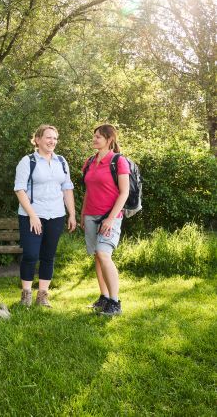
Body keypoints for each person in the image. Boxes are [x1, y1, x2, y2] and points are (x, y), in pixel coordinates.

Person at [14, 125, 77, 307]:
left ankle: (42, 296)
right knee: (31, 254)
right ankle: (26, 295)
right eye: (49, 137)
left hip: (56, 215)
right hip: (32, 216)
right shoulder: (27, 161)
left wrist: (71, 214)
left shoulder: (61, 162)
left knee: (48, 256)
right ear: (38, 139)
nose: (52, 142)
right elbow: (19, 189)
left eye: (55, 138)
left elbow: (67, 188)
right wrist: (33, 215)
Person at [80, 124, 130, 316]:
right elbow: (88, 191)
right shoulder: (90, 162)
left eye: (98, 137)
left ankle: (115, 303)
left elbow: (124, 192)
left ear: (109, 140)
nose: (94, 139)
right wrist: (84, 214)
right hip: (91, 216)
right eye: (94, 136)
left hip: (111, 216)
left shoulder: (118, 161)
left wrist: (110, 219)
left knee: (103, 254)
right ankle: (104, 298)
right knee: (97, 257)